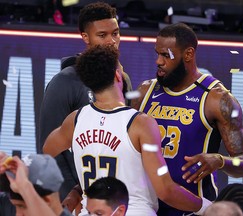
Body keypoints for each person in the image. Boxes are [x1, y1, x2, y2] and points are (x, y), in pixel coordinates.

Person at [43, 45, 212, 216]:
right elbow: (166, 191)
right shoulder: (140, 123)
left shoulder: (75, 120)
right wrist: (205, 206)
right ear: (118, 75)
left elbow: (48, 149)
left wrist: (87, 156)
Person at [131, 22, 243, 215]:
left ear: (188, 54)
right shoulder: (145, 91)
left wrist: (220, 160)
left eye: (166, 55)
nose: (158, 61)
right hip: (145, 207)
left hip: (193, 209)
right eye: (157, 53)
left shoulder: (216, 98)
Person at [38, 1, 133, 204]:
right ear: (85, 37)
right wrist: (73, 195)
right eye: (102, 35)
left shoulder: (122, 80)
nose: (111, 41)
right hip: (78, 198)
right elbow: (50, 150)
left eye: (115, 33)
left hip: (115, 197)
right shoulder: (64, 82)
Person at [0, 151, 72, 216]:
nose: (18, 214)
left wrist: (25, 186)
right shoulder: (7, 204)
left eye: (21, 206)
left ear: (47, 201)